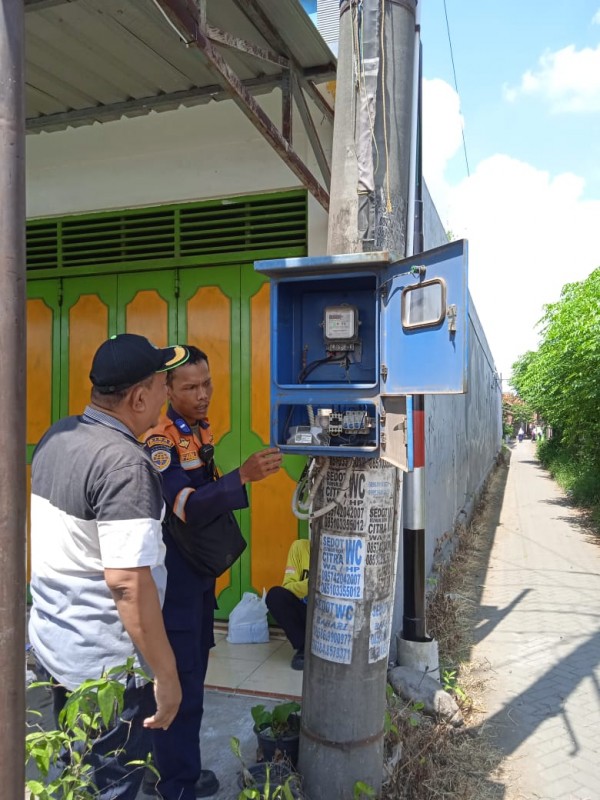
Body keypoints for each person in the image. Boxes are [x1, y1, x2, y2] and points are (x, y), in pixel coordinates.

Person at [28, 333, 188, 800]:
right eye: (161, 384)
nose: (166, 393)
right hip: (107, 669)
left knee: (78, 768)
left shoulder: (58, 435)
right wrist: (166, 675)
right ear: (138, 398)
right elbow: (128, 584)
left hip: (58, 644)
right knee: (112, 783)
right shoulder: (125, 466)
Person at [143, 345, 283, 800]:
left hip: (198, 576)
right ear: (167, 389)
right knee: (179, 681)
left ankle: (174, 767)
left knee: (193, 674)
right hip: (176, 583)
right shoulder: (161, 441)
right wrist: (240, 477)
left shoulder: (197, 430)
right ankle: (175, 783)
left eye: (207, 384)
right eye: (190, 387)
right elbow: (184, 506)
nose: (202, 394)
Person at [266, 539, 310, 671]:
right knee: (275, 596)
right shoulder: (299, 547)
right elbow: (288, 586)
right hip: (307, 611)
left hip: (331, 615)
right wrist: (311, 584)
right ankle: (304, 647)